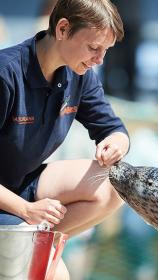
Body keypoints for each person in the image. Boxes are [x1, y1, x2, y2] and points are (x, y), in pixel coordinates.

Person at [0, 0, 130, 279]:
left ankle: (35, 243)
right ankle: (30, 244)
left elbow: (113, 128)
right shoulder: (5, 74)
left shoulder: (79, 73)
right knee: (56, 274)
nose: (100, 59)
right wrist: (26, 210)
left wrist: (116, 143)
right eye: (94, 48)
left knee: (116, 183)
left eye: (105, 51)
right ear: (62, 29)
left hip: (21, 183)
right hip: (10, 197)